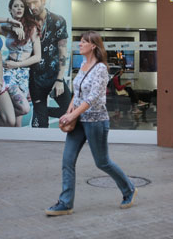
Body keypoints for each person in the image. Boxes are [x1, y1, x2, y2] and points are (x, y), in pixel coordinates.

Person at [46, 31, 137, 216]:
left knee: (102, 162)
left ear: (93, 45)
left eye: (83, 42)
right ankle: (65, 203)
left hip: (96, 121)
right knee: (67, 161)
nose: (79, 45)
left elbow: (93, 97)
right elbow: (77, 93)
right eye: (79, 42)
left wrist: (72, 116)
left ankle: (129, 189)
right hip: (79, 121)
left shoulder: (101, 68)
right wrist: (69, 111)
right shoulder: (83, 65)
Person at [24, 0, 71, 128]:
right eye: (29, 3)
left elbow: (63, 52)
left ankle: (42, 112)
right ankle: (40, 113)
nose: (32, 7)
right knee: (39, 125)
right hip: (35, 80)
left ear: (44, 0)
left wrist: (59, 79)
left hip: (54, 77)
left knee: (69, 110)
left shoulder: (58, 21)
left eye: (35, 2)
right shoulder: (26, 23)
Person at [0, 0, 41, 127]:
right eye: (15, 6)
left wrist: (18, 64)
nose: (19, 8)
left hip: (23, 72)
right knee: (24, 108)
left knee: (18, 119)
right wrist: (12, 26)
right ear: (10, 10)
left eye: (21, 6)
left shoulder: (32, 28)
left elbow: (37, 56)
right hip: (9, 73)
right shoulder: (7, 28)